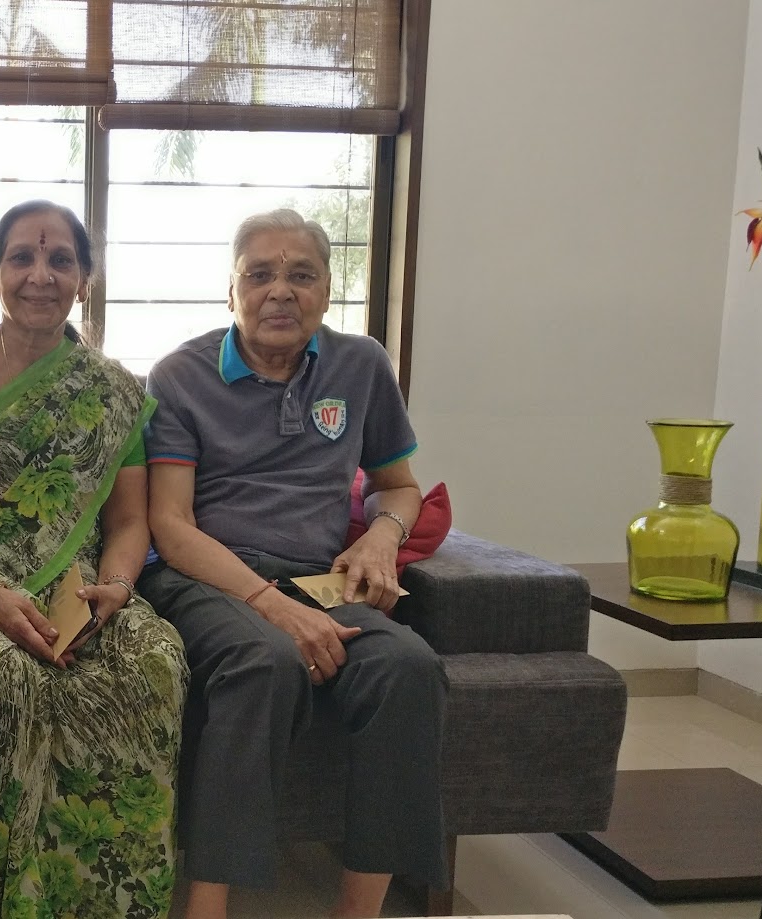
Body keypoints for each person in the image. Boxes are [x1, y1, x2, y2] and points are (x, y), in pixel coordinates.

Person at [138, 208, 447, 919]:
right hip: (207, 577)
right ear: (231, 292)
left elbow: (398, 485)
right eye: (260, 275)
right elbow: (170, 527)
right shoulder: (180, 376)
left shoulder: (361, 365)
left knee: (409, 668)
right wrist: (273, 606)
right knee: (266, 661)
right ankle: (207, 907)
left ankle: (357, 912)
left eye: (301, 275)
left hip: (319, 578)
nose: (280, 291)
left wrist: (382, 537)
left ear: (328, 291)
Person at [0, 200, 189, 919]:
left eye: (61, 259)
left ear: (83, 281)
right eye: (22, 258)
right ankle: (3, 899)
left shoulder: (112, 388)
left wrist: (116, 587)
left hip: (84, 587)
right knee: (6, 677)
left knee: (155, 660)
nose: (40, 274)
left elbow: (129, 519)